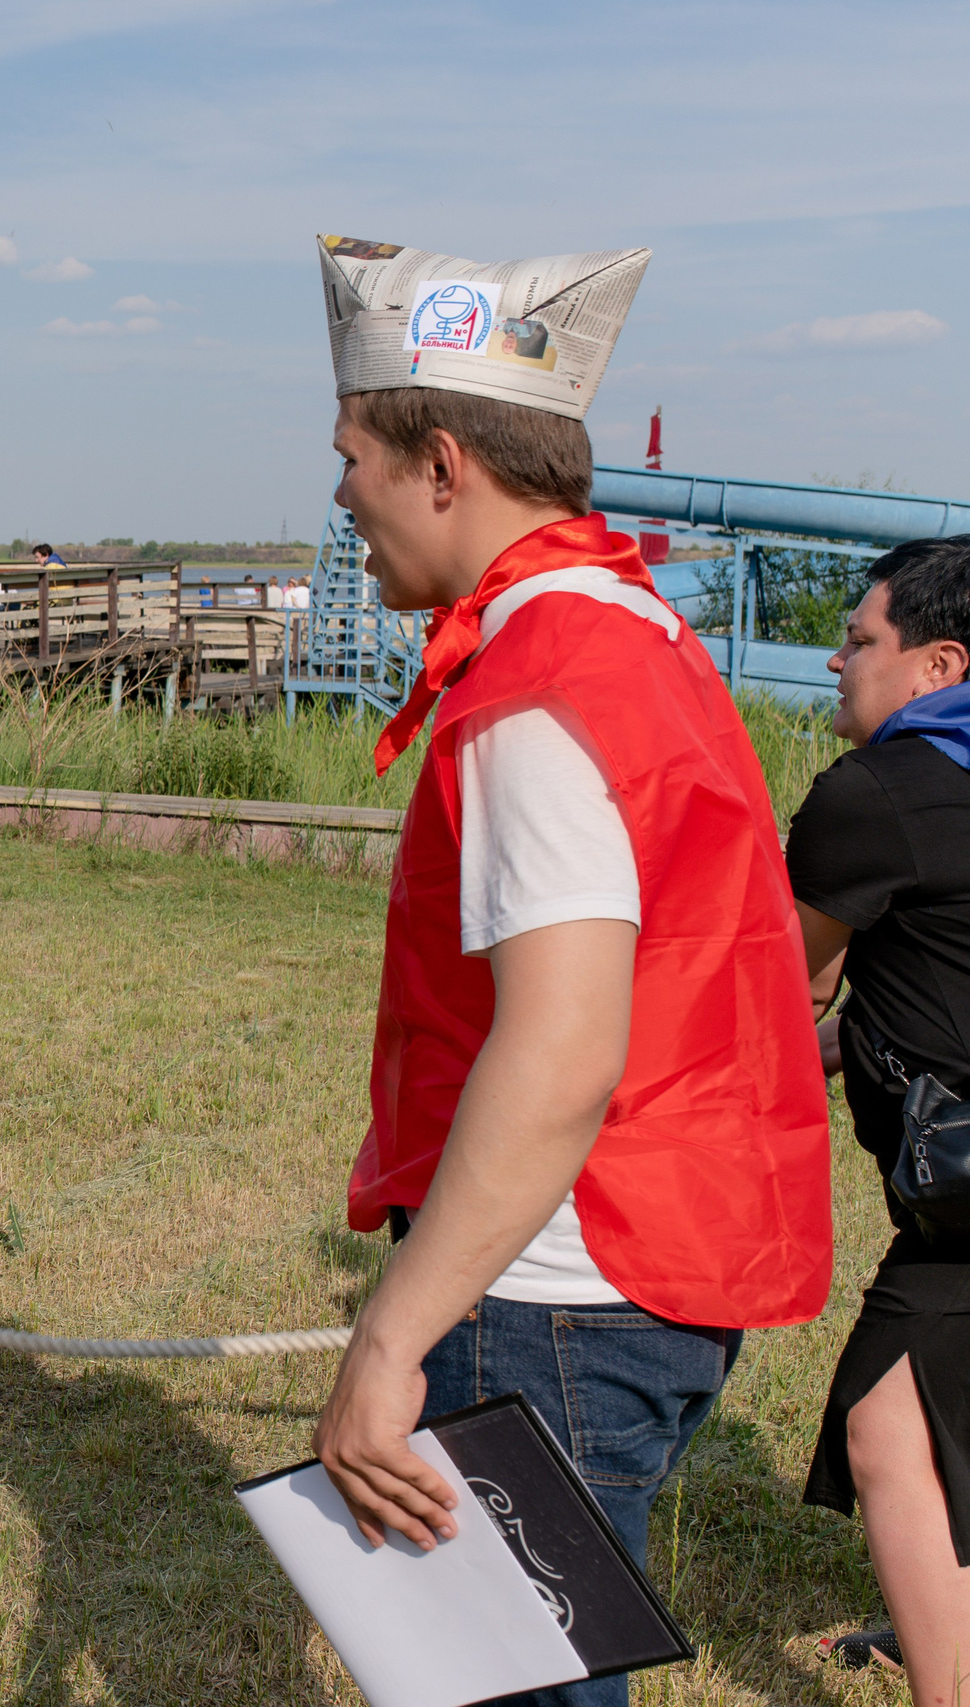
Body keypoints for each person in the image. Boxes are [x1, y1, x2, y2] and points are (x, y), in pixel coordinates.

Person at [305, 234, 830, 1707]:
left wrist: (389, 1334)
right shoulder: (637, 626)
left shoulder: (538, 680)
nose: (341, 491)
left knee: (515, 1678)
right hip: (637, 1269)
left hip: (559, 1282)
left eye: (352, 454)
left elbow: (561, 1048)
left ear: (443, 461)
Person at [790, 539, 970, 1704]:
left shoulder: (874, 793)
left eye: (859, 641)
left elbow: (768, 991)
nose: (835, 658)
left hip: (960, 1211)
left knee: (883, 1420)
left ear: (936, 663)